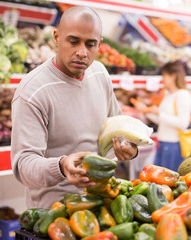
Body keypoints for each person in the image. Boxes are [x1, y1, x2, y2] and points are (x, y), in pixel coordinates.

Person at [11, 6, 138, 209]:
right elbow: (23, 166)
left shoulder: (100, 73)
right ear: (56, 37)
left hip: (102, 200)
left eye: (90, 44)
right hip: (54, 212)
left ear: (100, 44)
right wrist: (61, 166)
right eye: (73, 41)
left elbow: (118, 125)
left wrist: (128, 147)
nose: (82, 52)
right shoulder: (33, 91)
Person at [136, 61, 191, 171]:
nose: (163, 79)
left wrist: (159, 113)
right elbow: (161, 120)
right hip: (163, 143)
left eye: (164, 76)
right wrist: (146, 112)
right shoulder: (168, 95)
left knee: (167, 181)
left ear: (173, 76)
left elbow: (183, 124)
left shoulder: (183, 95)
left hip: (173, 146)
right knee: (157, 178)